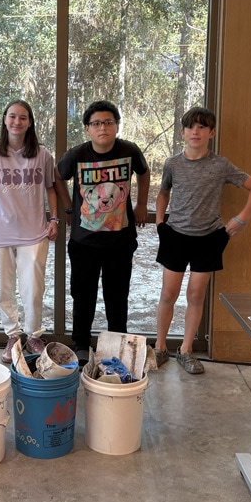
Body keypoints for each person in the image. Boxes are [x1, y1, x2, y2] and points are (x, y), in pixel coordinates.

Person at [154, 106, 251, 374]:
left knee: (196, 294)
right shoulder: (172, 164)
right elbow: (163, 193)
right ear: (182, 132)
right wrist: (159, 223)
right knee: (168, 293)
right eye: (191, 127)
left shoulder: (220, 165)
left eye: (202, 127)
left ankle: (186, 350)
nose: (196, 131)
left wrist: (242, 218)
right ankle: (160, 347)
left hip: (208, 238)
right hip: (175, 236)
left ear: (211, 133)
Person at [55, 100, 149, 366]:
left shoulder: (129, 151)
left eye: (108, 122)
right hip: (84, 242)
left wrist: (142, 204)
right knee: (82, 296)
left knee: (117, 297)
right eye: (96, 123)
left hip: (120, 241)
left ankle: (117, 344)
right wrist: (68, 207)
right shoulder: (77, 155)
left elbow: (144, 173)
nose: (103, 128)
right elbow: (58, 176)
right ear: (87, 129)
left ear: (116, 125)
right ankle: (81, 344)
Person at [0, 99, 58, 363]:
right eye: (12, 116)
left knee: (33, 288)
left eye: (22, 117)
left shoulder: (42, 155)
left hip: (34, 232)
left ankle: (33, 335)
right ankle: (12, 335)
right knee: (5, 288)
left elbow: (51, 188)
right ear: (4, 119)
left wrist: (54, 219)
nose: (17, 121)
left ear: (30, 122)